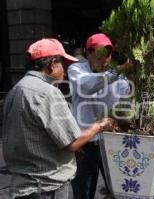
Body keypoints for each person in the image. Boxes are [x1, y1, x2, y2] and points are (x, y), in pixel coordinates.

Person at [2, 38, 117, 199]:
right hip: (46, 187)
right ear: (52, 64)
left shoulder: (16, 89)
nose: (65, 71)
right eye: (63, 65)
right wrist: (100, 125)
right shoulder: (48, 92)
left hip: (23, 184)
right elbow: (72, 142)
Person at [68, 33, 132, 199]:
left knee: (119, 189)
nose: (104, 59)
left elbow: (126, 102)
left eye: (108, 54)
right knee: (83, 191)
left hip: (111, 141)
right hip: (85, 142)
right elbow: (87, 86)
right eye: (100, 53)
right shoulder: (76, 70)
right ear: (88, 53)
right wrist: (119, 71)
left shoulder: (119, 75)